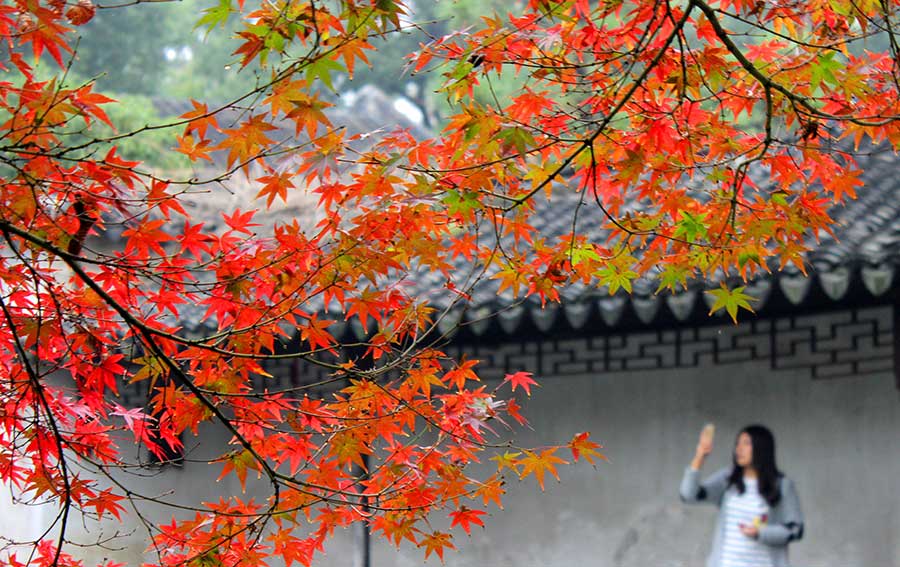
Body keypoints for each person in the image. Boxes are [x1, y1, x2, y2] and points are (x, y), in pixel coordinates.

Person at [680, 424, 804, 567]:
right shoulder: (728, 480)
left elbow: (796, 529)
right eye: (737, 443)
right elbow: (688, 495)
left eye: (746, 443)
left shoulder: (782, 485)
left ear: (762, 448)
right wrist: (700, 456)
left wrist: (761, 533)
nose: (739, 448)